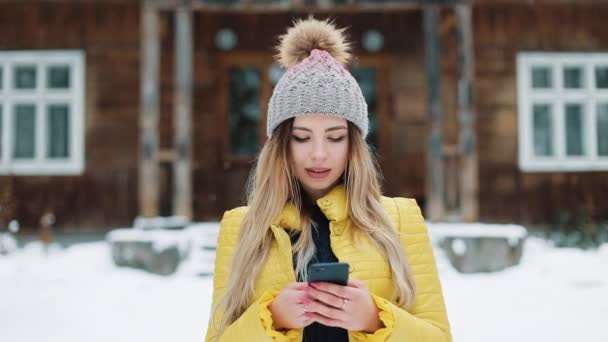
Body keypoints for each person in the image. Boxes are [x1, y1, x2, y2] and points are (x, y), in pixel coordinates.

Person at [205, 17, 451, 342]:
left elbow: (439, 337)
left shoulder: (401, 220)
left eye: (334, 138)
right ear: (281, 145)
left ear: (353, 145)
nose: (318, 154)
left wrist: (376, 319)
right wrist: (273, 319)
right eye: (302, 138)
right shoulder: (242, 227)